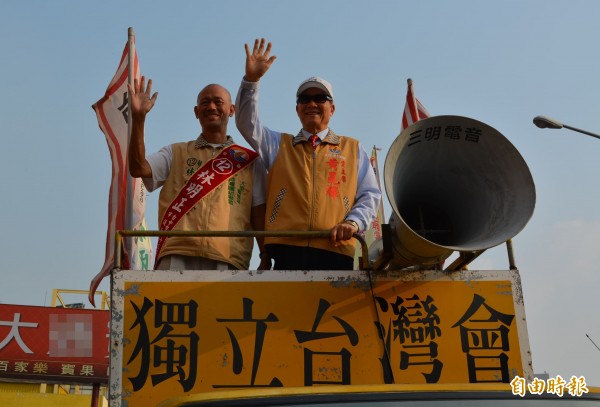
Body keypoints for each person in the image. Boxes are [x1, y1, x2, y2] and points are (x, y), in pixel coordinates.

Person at [235, 38, 382, 270]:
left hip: (336, 250)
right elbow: (246, 123)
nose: (311, 103)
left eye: (320, 98)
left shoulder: (353, 149)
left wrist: (353, 223)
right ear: (297, 109)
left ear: (332, 109)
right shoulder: (278, 145)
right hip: (286, 251)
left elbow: (370, 195)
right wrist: (251, 81)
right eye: (304, 99)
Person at [128, 77, 270, 270]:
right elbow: (138, 168)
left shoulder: (249, 161)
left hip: (229, 257)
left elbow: (258, 214)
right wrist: (138, 119)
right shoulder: (175, 152)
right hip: (177, 253)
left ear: (231, 110)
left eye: (218, 102)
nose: (211, 107)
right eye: (205, 102)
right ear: (196, 112)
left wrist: (265, 255)